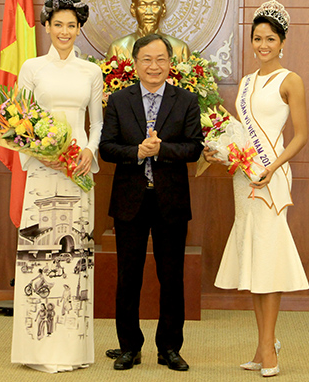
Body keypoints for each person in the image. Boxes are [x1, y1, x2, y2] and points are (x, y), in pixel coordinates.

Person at [204, 0, 309, 378]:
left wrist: (272, 166)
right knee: (254, 257)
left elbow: (301, 136)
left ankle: (268, 346)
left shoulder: (290, 80)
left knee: (269, 257)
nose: (263, 45)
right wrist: (223, 153)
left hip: (272, 174)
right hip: (244, 175)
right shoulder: (247, 82)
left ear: (283, 42)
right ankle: (262, 343)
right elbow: (240, 132)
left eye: (270, 39)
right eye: (257, 38)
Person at [10, 0, 103, 373]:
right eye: (58, 25)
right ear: (46, 27)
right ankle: (36, 351)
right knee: (40, 253)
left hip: (77, 168)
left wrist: (89, 151)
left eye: (72, 25)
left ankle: (73, 350)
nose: (65, 32)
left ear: (80, 29)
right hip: (42, 167)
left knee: (74, 253)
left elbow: (96, 123)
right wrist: (42, 152)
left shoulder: (91, 72)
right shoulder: (32, 68)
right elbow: (17, 119)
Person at [99, 33, 203, 371]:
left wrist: (161, 149)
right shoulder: (118, 100)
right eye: (147, 59)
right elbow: (107, 147)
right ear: (135, 63)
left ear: (170, 63)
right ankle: (129, 347)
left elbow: (194, 148)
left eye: (160, 59)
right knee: (128, 277)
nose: (154, 66)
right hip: (130, 201)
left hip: (170, 201)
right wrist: (136, 153)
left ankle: (169, 348)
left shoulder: (185, 100)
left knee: (171, 277)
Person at [106, 0, 191, 62]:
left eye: (154, 5)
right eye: (142, 5)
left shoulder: (180, 49)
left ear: (163, 9)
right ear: (133, 9)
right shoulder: (117, 49)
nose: (149, 12)